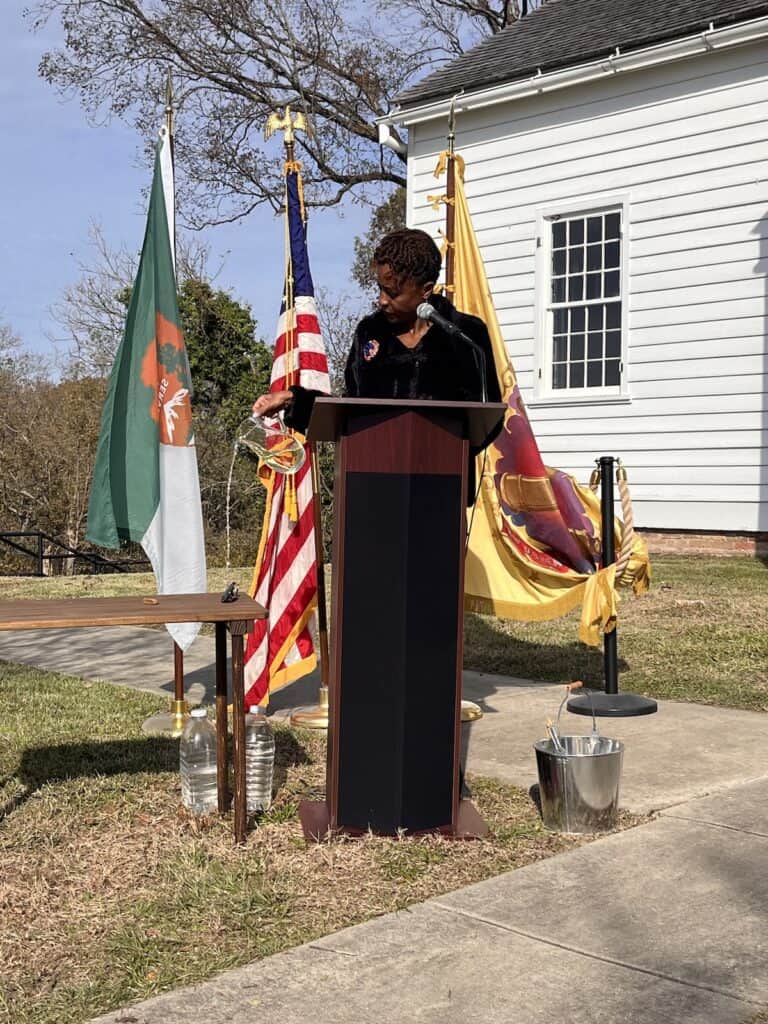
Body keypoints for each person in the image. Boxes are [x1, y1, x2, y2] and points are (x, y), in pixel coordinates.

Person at [253, 228, 502, 457]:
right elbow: (350, 410)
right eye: (380, 289)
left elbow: (486, 420)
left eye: (393, 293)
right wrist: (291, 399)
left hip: (442, 485)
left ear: (426, 289)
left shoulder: (466, 334)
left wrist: (440, 453)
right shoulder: (369, 332)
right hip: (369, 480)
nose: (382, 300)